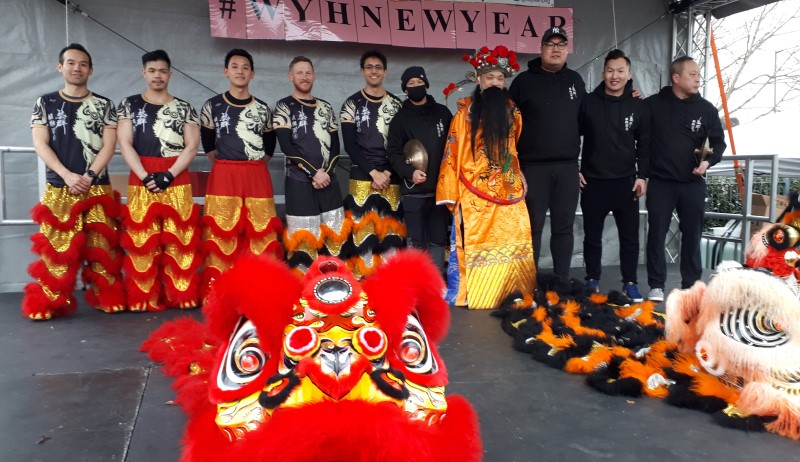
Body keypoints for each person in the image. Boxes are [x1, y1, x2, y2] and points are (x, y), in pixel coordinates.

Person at [23, 43, 125, 320]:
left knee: (102, 246)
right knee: (58, 249)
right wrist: (67, 175)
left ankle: (106, 296)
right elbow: (40, 143)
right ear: (60, 67)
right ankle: (49, 302)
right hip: (60, 186)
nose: (77, 68)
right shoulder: (45, 103)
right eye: (71, 63)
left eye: (82, 64)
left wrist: (90, 175)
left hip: (97, 186)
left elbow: (109, 145)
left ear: (90, 70)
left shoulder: (104, 105)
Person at [436, 45, 535, 309]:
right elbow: (451, 153)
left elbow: (513, 149)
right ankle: (476, 291)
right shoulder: (464, 114)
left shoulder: (513, 113)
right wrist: (451, 193)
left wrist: (518, 174)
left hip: (508, 187)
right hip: (474, 189)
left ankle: (513, 290)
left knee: (517, 233)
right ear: (479, 80)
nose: (495, 83)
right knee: (474, 240)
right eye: (489, 77)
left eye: (499, 78)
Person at [117, 50, 202, 311]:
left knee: (181, 238)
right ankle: (144, 296)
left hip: (175, 174)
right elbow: (124, 143)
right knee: (142, 238)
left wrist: (169, 174)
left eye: (162, 71)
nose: (157, 76)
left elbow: (191, 146)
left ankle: (181, 294)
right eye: (152, 70)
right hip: (141, 174)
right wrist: (144, 176)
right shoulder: (129, 104)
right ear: (144, 73)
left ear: (170, 74)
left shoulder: (184, 107)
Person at [199, 49, 283, 294]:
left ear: (253, 73)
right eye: (234, 66)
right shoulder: (212, 106)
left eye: (245, 67)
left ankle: (260, 288)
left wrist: (250, 164)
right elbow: (208, 146)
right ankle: (221, 289)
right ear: (226, 71)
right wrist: (231, 164)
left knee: (260, 231)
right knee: (222, 230)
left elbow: (269, 147)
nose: (240, 71)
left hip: (256, 173)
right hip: (224, 174)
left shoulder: (263, 109)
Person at [645, 56, 726, 301]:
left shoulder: (707, 109)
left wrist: (707, 161)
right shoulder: (652, 105)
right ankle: (656, 285)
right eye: (692, 74)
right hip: (660, 181)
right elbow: (638, 134)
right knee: (656, 233)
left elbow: (717, 143)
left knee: (693, 233)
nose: (698, 79)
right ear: (676, 78)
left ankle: (691, 284)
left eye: (699, 75)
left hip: (693, 183)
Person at [509, 26, 585, 282]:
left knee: (564, 227)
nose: (556, 49)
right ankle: (528, 281)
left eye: (561, 45)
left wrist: (630, 93)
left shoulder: (575, 80)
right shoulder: (522, 81)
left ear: (566, 50)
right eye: (550, 44)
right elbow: (508, 126)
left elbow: (590, 118)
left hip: (567, 167)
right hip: (533, 168)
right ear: (541, 49)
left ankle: (561, 280)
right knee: (532, 227)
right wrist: (514, 166)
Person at [578, 49, 650, 302]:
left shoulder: (638, 104)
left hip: (627, 183)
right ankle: (592, 279)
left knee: (630, 238)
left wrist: (642, 176)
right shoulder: (587, 102)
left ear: (629, 74)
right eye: (610, 71)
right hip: (593, 182)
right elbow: (570, 136)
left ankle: (630, 282)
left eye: (620, 71)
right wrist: (575, 170)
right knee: (592, 237)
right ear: (602, 73)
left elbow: (645, 144)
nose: (615, 76)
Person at [274, 56, 348, 273]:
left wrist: (326, 173)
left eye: (308, 73)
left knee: (335, 236)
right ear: (290, 76)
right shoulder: (283, 107)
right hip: (299, 182)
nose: (304, 77)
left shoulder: (325, 107)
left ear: (314, 76)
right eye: (299, 72)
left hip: (329, 181)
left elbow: (336, 146)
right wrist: (313, 173)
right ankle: (304, 291)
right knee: (304, 239)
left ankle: (336, 284)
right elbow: (287, 146)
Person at [339, 50, 405, 278]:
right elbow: (350, 145)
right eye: (369, 67)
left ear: (385, 72)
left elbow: (402, 145)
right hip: (361, 174)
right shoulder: (351, 104)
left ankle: (391, 280)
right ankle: (362, 283)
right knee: (362, 232)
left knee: (390, 232)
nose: (374, 71)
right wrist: (373, 172)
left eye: (378, 67)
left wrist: (386, 171)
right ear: (362, 71)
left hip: (391, 175)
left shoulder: (397, 105)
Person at [387, 66, 452, 275]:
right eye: (410, 84)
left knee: (438, 238)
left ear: (426, 84)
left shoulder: (442, 113)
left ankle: (436, 280)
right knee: (417, 239)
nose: (416, 86)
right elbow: (393, 153)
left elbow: (455, 146)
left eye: (419, 82)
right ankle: (418, 280)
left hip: (440, 191)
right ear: (405, 89)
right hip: (413, 190)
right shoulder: (399, 120)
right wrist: (409, 172)